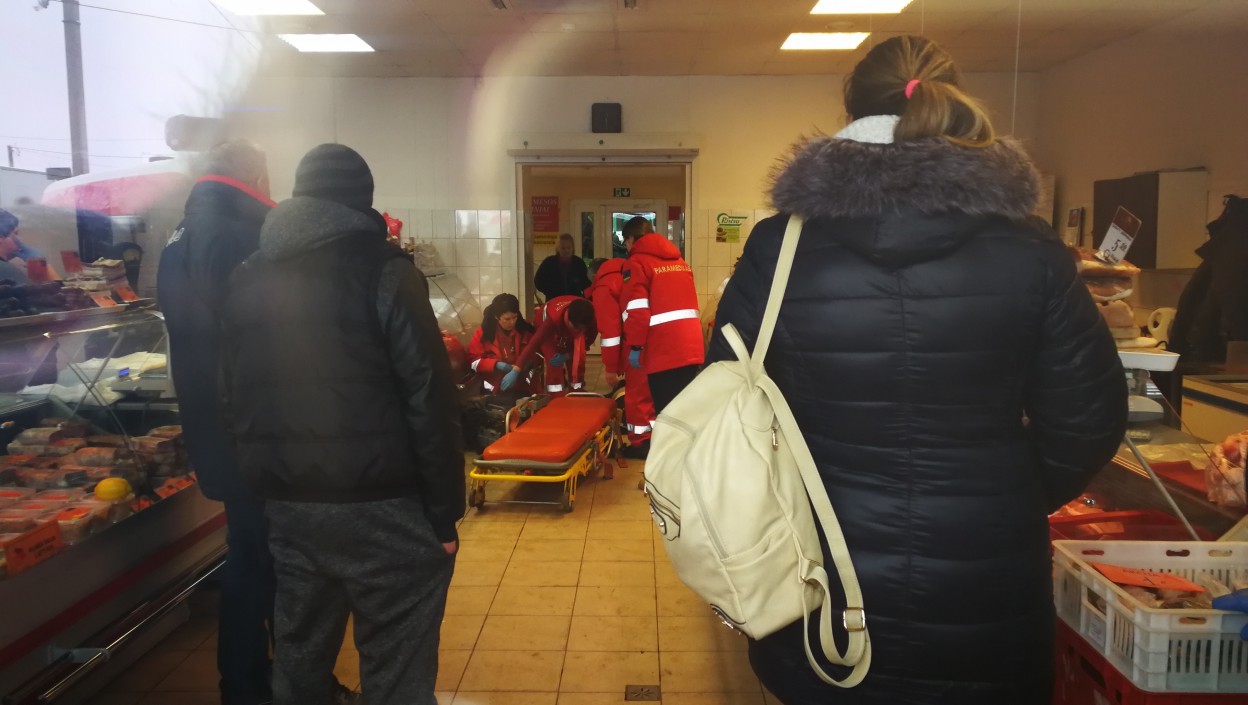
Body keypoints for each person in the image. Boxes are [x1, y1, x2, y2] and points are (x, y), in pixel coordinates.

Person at [707, 36, 1127, 704]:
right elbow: (1089, 421)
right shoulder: (1032, 250)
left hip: (821, 567)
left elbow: (725, 398)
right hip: (985, 580)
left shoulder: (781, 246)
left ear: (852, 111)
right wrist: (1005, 493)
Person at [222, 144, 464, 705]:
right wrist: (444, 514)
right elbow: (428, 397)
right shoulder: (385, 272)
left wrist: (263, 490)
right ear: (364, 202)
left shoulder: (248, 276)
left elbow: (229, 396)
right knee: (396, 664)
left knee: (300, 658)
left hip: (291, 506)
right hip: (385, 506)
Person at [155, 140, 300, 705]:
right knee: (269, 557)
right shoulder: (241, 234)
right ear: (258, 177)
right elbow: (265, 339)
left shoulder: (181, 235)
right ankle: (264, 684)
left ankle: (251, 680)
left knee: (250, 551)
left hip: (215, 424)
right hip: (256, 428)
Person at [621, 216, 704, 414]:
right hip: (691, 348)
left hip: (664, 350)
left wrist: (636, 346)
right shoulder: (680, 262)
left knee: (666, 414)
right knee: (684, 411)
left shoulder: (636, 263)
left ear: (631, 238)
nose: (626, 246)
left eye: (625, 241)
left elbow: (638, 311)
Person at [586, 256, 655, 455]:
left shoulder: (604, 286)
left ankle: (641, 444)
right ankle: (654, 438)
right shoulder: (633, 273)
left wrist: (610, 368)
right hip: (660, 338)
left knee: (637, 396)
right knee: (651, 391)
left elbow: (610, 334)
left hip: (638, 342)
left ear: (594, 276)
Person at [508, 295, 596, 394]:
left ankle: (577, 390)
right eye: (576, 328)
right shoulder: (551, 321)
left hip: (572, 321)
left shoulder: (591, 317)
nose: (578, 331)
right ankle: (556, 394)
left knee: (578, 360)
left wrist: (568, 355)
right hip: (546, 328)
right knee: (553, 363)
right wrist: (516, 369)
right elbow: (533, 344)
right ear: (568, 320)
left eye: (582, 329)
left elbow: (586, 344)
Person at [469, 293, 536, 393]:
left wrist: (523, 366)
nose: (512, 322)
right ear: (496, 317)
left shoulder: (526, 329)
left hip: (524, 387)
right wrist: (496, 365)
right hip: (494, 390)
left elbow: (536, 354)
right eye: (507, 319)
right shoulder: (484, 333)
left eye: (515, 317)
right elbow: (473, 362)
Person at [534, 233, 590, 300]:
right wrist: (549, 292)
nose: (566, 251)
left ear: (573, 248)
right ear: (558, 248)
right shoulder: (549, 263)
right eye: (563, 248)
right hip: (554, 300)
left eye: (568, 248)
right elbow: (538, 281)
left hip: (574, 301)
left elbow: (586, 283)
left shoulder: (579, 263)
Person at [0, 208, 47, 284]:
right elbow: (48, 290)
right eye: (15, 233)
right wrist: (40, 266)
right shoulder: (6, 270)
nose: (19, 239)